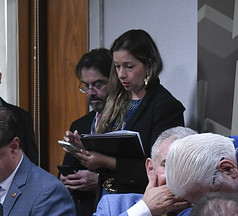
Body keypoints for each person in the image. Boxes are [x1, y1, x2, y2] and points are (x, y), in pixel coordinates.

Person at [65, 29, 185, 195]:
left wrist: (104, 161)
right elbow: (107, 152)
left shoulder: (165, 106)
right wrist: (82, 149)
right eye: (117, 66)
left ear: (149, 65)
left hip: (141, 197)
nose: (121, 74)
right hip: (107, 196)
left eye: (129, 67)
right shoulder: (116, 99)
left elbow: (160, 168)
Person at [59, 48, 112, 216]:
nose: (91, 93)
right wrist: (66, 179)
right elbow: (67, 168)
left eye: (98, 85)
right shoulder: (79, 124)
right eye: (86, 86)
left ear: (115, 81)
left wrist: (99, 181)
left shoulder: (126, 121)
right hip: (82, 215)